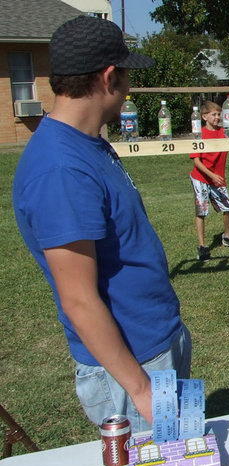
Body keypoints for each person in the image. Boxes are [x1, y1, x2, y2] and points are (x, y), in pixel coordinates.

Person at [12, 16, 191, 434]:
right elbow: (78, 300)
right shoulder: (60, 169)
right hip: (130, 371)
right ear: (109, 77)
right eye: (127, 75)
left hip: (154, 346)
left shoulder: (88, 145)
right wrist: (143, 391)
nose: (129, 88)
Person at [190, 100, 229, 261]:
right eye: (214, 115)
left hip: (218, 178)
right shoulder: (198, 134)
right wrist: (211, 175)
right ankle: (202, 246)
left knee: (227, 207)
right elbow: (196, 161)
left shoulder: (225, 132)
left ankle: (227, 236)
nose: (217, 117)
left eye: (219, 114)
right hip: (201, 177)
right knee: (201, 211)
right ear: (204, 116)